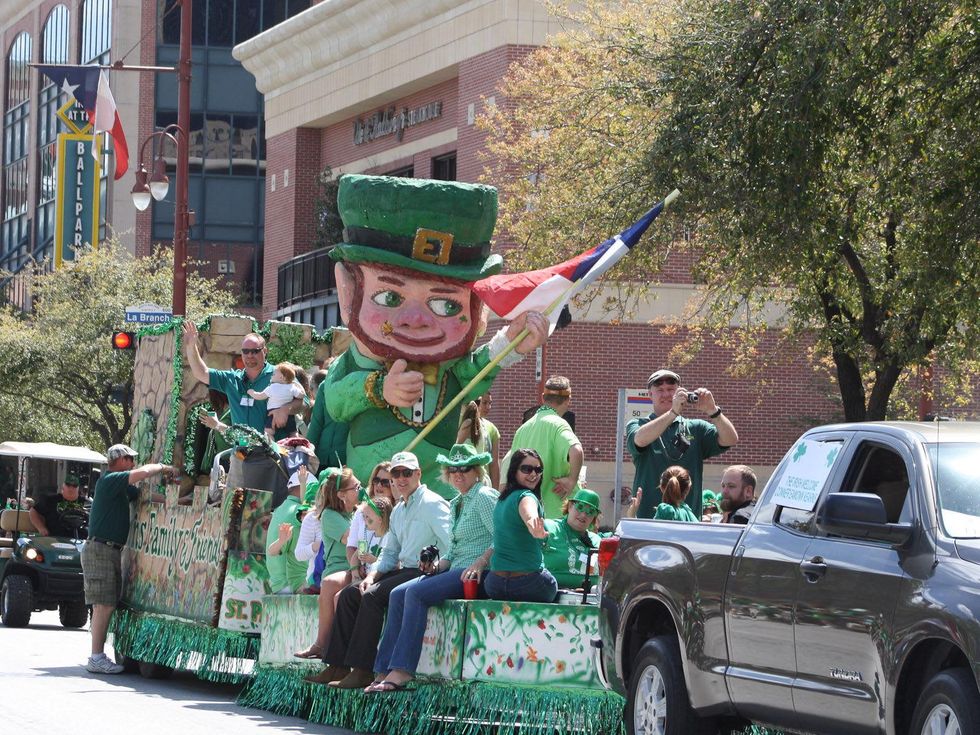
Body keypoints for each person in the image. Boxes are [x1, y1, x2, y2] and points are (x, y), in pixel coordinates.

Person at [314, 174, 549, 499]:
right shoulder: (360, 360)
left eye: (444, 304)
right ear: (348, 293)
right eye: (389, 298)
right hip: (372, 496)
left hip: (436, 493)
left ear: (477, 311)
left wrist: (508, 345)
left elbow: (474, 374)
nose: (416, 321)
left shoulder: (451, 364)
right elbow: (336, 401)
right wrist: (379, 388)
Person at [307, 451, 451, 689]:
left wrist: (437, 566)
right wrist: (372, 575)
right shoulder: (400, 510)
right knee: (350, 594)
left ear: (418, 474)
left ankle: (364, 669)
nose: (401, 478)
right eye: (396, 473)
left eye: (407, 473)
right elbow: (390, 552)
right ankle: (338, 664)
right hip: (405, 569)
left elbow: (450, 543)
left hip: (424, 571)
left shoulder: (432, 504)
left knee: (372, 596)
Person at [369, 442, 497, 692]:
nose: (459, 474)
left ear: (478, 471)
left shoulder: (483, 496)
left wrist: (480, 563)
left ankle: (403, 670)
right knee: (397, 593)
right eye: (454, 469)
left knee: (415, 593)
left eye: (467, 468)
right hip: (456, 569)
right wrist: (435, 567)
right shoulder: (458, 501)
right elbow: (452, 550)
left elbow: (502, 538)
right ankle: (383, 669)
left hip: (477, 574)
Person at [81, 444, 175, 675]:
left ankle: (98, 655)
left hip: (111, 549)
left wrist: (173, 501)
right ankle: (96, 657)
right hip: (100, 548)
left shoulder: (121, 488)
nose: (133, 462)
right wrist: (164, 467)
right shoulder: (111, 480)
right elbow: (142, 474)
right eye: (130, 458)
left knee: (107, 603)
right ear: (120, 460)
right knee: (103, 605)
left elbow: (143, 496)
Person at [626, 368, 738, 519]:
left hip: (687, 520)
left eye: (671, 389)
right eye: (660, 390)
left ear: (680, 392)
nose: (666, 394)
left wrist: (713, 411)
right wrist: (673, 412)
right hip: (648, 520)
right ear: (650, 395)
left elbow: (731, 439)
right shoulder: (638, 424)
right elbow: (639, 440)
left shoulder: (696, 427)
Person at [182, 321, 305, 439]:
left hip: (274, 452)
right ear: (241, 353)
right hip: (241, 452)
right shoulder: (232, 379)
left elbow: (304, 401)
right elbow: (201, 373)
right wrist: (191, 346)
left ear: (265, 351)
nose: (250, 355)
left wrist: (285, 410)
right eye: (246, 351)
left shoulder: (279, 373)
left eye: (255, 351)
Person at [293, 467, 361, 659]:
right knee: (330, 583)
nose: (360, 490)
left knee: (338, 593)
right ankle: (321, 644)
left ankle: (332, 649)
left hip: (360, 566)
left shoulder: (358, 512)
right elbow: (351, 539)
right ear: (341, 495)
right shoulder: (330, 515)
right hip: (340, 567)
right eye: (356, 487)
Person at [502, 376, 584, 518]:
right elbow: (576, 450)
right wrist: (572, 480)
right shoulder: (559, 424)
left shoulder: (522, 429)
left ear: (543, 397)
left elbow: (511, 472)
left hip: (530, 515)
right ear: (568, 399)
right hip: (557, 518)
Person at [485, 449, 557, 604]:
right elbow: (529, 514)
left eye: (538, 470)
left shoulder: (502, 499)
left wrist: (533, 526)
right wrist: (533, 527)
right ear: (514, 471)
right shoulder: (527, 497)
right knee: (553, 585)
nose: (533, 474)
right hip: (530, 584)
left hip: (494, 584)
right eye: (526, 469)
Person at [542, 487, 602, 590]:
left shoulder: (597, 541)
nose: (583, 515)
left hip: (588, 596)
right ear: (570, 506)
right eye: (580, 507)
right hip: (550, 594)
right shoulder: (549, 527)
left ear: (594, 517)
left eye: (590, 511)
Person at [346, 461, 395, 583]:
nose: (379, 485)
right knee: (331, 584)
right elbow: (352, 547)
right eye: (376, 480)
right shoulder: (361, 511)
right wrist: (356, 570)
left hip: (385, 573)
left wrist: (373, 564)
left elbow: (392, 559)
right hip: (360, 570)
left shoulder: (398, 511)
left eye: (385, 482)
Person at [265, 468, 311, 594]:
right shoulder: (298, 512)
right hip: (291, 586)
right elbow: (307, 508)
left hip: (278, 584)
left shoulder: (280, 509)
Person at [247, 362, 307, 439]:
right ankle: (294, 442)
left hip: (272, 413)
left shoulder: (272, 387)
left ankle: (272, 446)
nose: (272, 376)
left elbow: (260, 396)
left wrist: (252, 392)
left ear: (281, 377)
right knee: (293, 432)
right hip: (289, 415)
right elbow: (301, 395)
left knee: (268, 432)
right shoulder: (292, 387)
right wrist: (298, 385)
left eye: (274, 374)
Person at [457, 393, 500, 488]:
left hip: (483, 481)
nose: (488, 407)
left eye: (490, 403)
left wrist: (496, 493)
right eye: (484, 403)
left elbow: (494, 464)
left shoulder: (492, 429)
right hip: (464, 479)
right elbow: (456, 448)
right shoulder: (463, 423)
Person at [30, 472, 87, 538]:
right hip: (55, 539)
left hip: (79, 539)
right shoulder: (51, 500)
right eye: (68, 485)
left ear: (78, 488)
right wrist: (41, 528)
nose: (71, 488)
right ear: (63, 486)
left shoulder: (85, 502)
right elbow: (33, 512)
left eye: (74, 486)